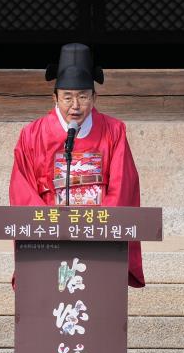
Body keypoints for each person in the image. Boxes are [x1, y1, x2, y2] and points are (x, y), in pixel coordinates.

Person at [9, 43, 144, 288]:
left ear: (94, 97)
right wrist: (51, 226)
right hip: (50, 235)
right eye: (67, 97)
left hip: (99, 236)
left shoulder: (113, 131)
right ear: (55, 98)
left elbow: (123, 185)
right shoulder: (33, 134)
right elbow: (22, 189)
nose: (75, 105)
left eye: (83, 96)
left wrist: (99, 226)